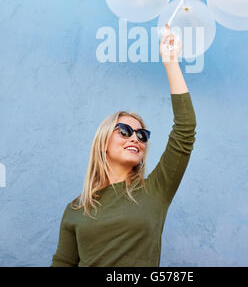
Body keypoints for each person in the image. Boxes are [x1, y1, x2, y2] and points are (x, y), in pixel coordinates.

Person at [50, 24, 197, 267]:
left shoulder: (157, 190)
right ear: (103, 143)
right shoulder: (76, 209)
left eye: (142, 135)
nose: (135, 138)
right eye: (125, 131)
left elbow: (185, 129)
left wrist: (171, 62)